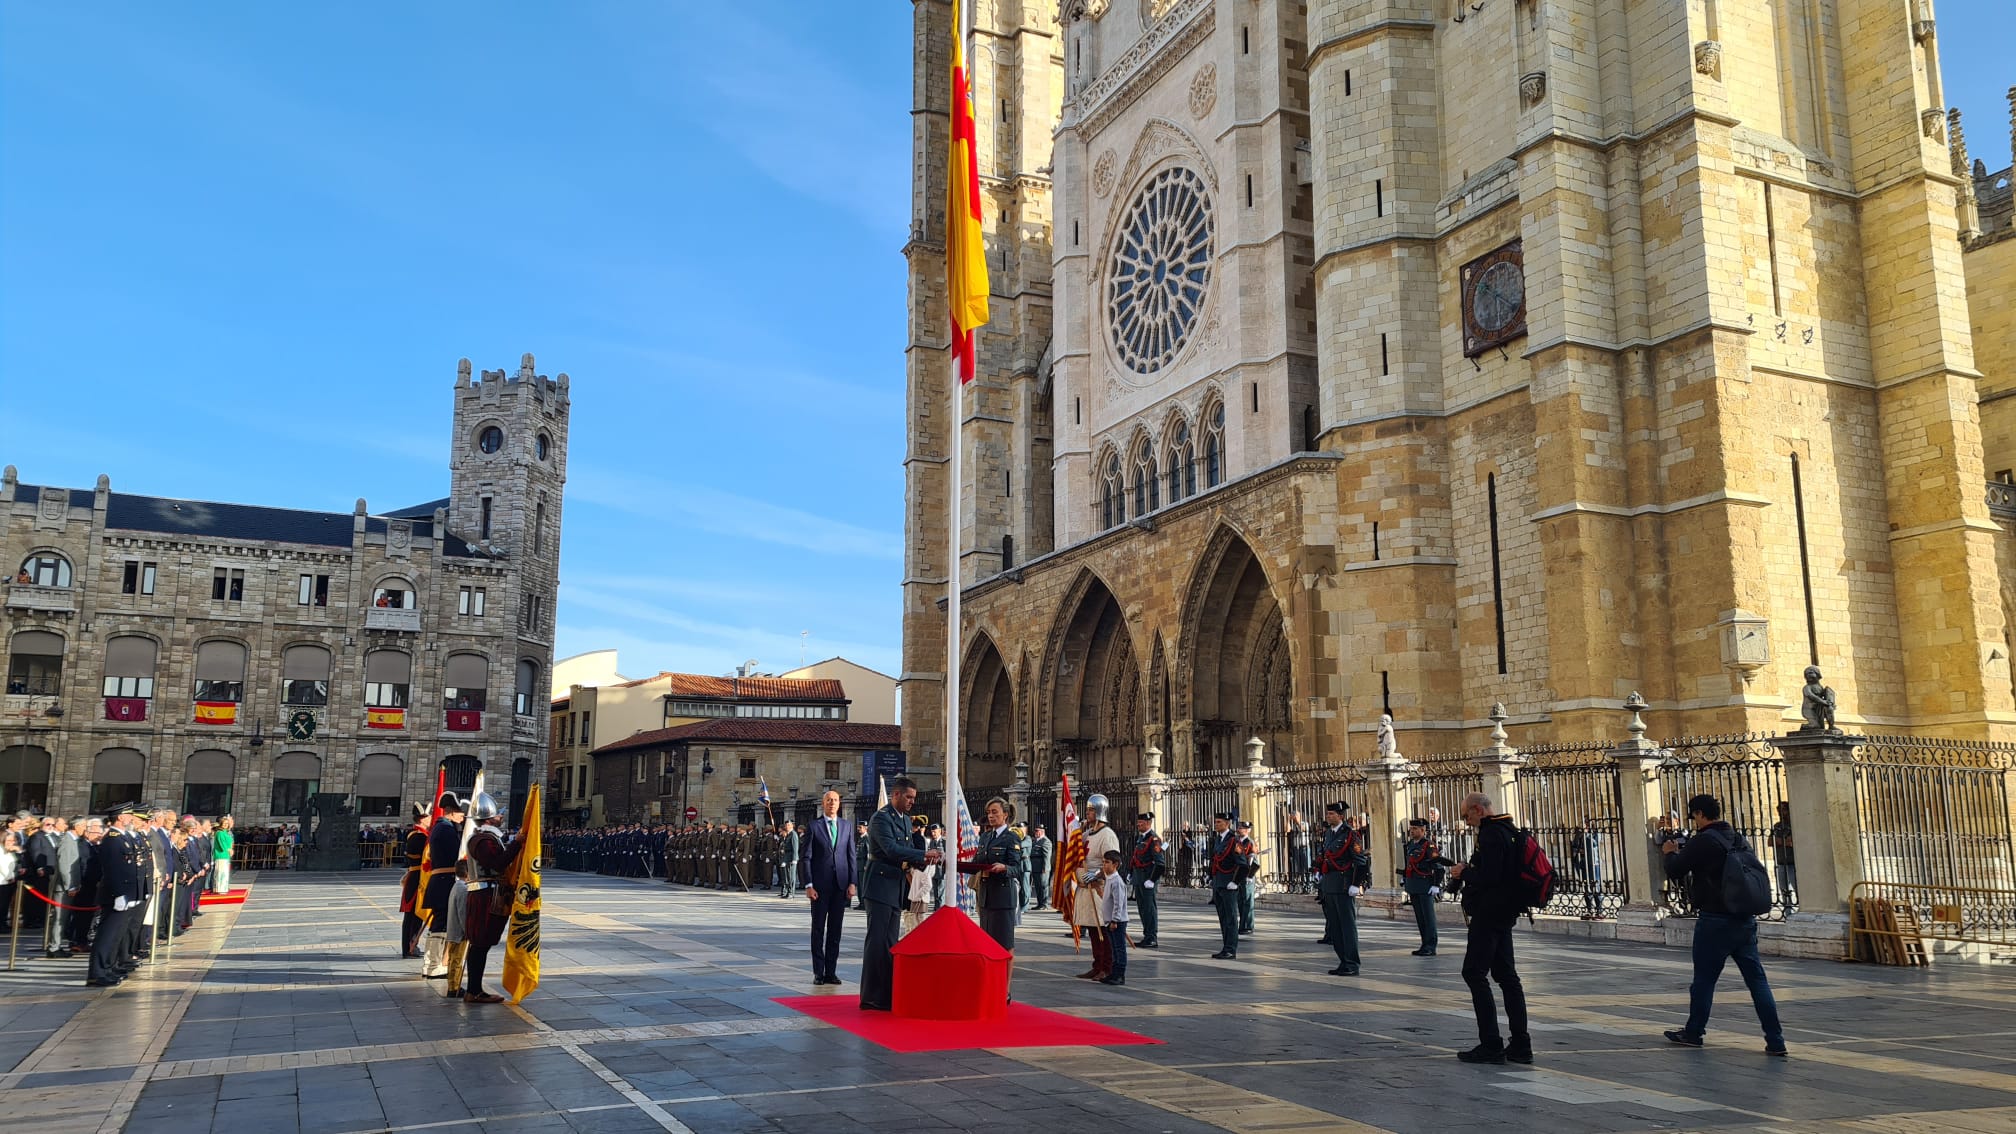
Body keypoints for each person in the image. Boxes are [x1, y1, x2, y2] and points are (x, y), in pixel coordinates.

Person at [1662, 794, 1787, 1055]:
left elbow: (1676, 871)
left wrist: (1670, 853)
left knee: (1704, 981)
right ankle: (1776, 1040)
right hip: (1744, 920)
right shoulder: (1738, 838)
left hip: (1715, 920)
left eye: (1694, 816)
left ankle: (1694, 1032)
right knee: (1757, 981)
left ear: (1699, 814)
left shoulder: (1703, 840)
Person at [1447, 791, 1531, 1065]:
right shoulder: (1510, 830)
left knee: (1474, 973)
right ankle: (1520, 1044)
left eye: (1466, 815)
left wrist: (1464, 873)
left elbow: (1491, 877)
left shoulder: (1491, 834)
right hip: (1504, 912)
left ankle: (1491, 1044)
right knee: (1507, 976)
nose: (1466, 821)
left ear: (1478, 810)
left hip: (1490, 913)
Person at [860, 777, 939, 1011]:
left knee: (890, 941)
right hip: (880, 883)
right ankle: (872, 995)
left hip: (895, 885)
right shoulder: (881, 819)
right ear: (895, 795)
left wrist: (927, 858)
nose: (911, 802)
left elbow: (910, 850)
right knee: (877, 941)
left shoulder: (905, 819)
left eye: (913, 798)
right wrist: (922, 856)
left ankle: (886, 992)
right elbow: (891, 849)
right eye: (908, 797)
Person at [459, 792, 524, 1004]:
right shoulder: (483, 840)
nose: (501, 817)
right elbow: (497, 863)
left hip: (489, 893)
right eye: (498, 815)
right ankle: (474, 990)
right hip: (484, 895)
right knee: (479, 943)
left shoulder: (488, 837)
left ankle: (475, 989)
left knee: (483, 943)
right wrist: (517, 844)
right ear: (489, 819)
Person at [800, 790, 856, 986]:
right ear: (823, 803)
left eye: (835, 800)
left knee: (835, 931)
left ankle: (831, 972)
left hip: (840, 886)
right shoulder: (814, 826)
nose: (832, 803)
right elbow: (806, 857)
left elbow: (851, 856)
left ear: (839, 804)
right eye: (829, 800)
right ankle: (818, 972)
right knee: (818, 930)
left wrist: (852, 882)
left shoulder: (846, 826)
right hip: (820, 887)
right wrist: (808, 884)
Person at [86, 805, 146, 987]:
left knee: (117, 934)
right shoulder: (112, 840)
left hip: (126, 894)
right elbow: (113, 870)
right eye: (128, 815)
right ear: (120, 817)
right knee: (107, 935)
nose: (131, 818)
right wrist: (119, 894)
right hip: (115, 895)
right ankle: (97, 973)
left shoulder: (122, 837)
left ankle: (109, 967)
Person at [958, 798, 1025, 953]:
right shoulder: (985, 837)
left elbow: (1017, 869)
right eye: (988, 812)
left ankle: (1004, 978)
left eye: (995, 812)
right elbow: (976, 865)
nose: (990, 816)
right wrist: (953, 864)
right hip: (986, 897)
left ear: (1005, 815)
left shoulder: (1011, 838)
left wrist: (1004, 868)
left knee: (1004, 943)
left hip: (1003, 897)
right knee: (987, 941)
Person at [1072, 794, 1121, 981]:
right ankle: (1097, 964)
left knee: (1104, 930)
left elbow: (1113, 861)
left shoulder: (1107, 835)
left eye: (1091, 810)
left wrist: (1097, 874)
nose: (1088, 812)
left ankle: (1107, 967)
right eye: (1088, 809)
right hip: (1086, 888)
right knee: (1093, 929)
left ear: (1100, 811)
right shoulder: (1085, 835)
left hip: (1100, 888)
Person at [420, 793, 466, 980]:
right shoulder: (446, 830)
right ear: (452, 812)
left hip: (441, 881)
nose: (462, 818)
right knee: (441, 925)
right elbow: (457, 853)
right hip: (444, 882)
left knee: (441, 924)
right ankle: (433, 965)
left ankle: (432, 964)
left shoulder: (441, 827)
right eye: (461, 814)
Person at [1316, 801, 1362, 976]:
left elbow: (1361, 862)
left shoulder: (1351, 835)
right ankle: (1343, 960)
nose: (1329, 817)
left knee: (1347, 926)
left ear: (1341, 816)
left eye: (1332, 814)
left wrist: (1356, 884)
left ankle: (1352, 963)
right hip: (1329, 884)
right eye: (1328, 814)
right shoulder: (1329, 834)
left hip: (1343, 885)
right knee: (1335, 927)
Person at [1206, 812, 1248, 960]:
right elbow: (1215, 860)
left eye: (1219, 822)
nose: (1216, 824)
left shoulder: (1233, 841)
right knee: (1223, 917)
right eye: (1215, 822)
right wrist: (1211, 877)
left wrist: (1235, 882)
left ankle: (1231, 949)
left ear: (1227, 823)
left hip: (1229, 884)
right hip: (1219, 884)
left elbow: (1243, 865)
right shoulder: (1218, 839)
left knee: (1230, 918)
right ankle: (1226, 947)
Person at [1400, 817, 1443, 956]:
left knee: (1428, 917)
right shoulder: (1411, 844)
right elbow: (1409, 863)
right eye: (1411, 829)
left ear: (1423, 830)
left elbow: (1438, 867)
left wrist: (1436, 885)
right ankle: (1424, 944)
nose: (1411, 831)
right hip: (1414, 885)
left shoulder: (1428, 845)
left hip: (1425, 885)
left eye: (1415, 829)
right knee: (1420, 917)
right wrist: (1404, 877)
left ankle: (1431, 945)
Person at [1128, 812, 1164, 948]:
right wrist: (1131, 873)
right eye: (1138, 823)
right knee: (1142, 909)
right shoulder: (1140, 838)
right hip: (1139, 879)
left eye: (1141, 823)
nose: (1138, 825)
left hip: (1147, 880)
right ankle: (1147, 935)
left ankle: (1152, 937)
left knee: (1149, 909)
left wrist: (1152, 880)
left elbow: (1160, 863)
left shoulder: (1154, 840)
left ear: (1148, 823)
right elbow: (1135, 858)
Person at [398, 802, 429, 957]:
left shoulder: (415, 834)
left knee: (412, 915)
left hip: (414, 874)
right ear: (422, 819)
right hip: (418, 877)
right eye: (429, 817)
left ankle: (409, 946)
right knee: (414, 914)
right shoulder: (419, 837)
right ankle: (410, 945)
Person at [1096, 850, 1130, 986]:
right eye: (1103, 862)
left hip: (1116, 921)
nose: (1104, 865)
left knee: (1119, 948)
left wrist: (1115, 919)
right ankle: (1113, 973)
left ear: (1115, 864)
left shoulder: (1116, 881)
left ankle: (1120, 974)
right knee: (1113, 948)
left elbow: (1118, 902)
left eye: (1107, 862)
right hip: (1109, 920)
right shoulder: (1109, 879)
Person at [1768, 801, 1796, 914]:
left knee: (1796, 887)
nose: (1781, 813)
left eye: (1783, 810)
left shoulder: (1794, 825)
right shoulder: (1777, 826)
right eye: (1779, 810)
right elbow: (1770, 841)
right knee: (1784, 889)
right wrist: (1785, 841)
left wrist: (1779, 841)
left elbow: (1793, 842)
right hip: (1781, 861)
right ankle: (1788, 912)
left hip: (1792, 862)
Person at [1234, 819, 1259, 936]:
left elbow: (1253, 860)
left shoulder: (1250, 842)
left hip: (1247, 874)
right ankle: (1242, 924)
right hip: (1239, 874)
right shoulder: (1237, 841)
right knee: (1240, 900)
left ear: (1248, 830)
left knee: (1248, 901)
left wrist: (1250, 875)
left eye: (1243, 828)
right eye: (1239, 827)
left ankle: (1248, 925)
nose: (1240, 829)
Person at [1027, 823, 1052, 909]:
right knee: (1037, 886)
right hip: (1035, 867)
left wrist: (1045, 868)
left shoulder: (1046, 841)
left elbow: (1046, 856)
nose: (1035, 832)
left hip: (1042, 867)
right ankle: (1039, 903)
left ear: (1042, 831)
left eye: (1037, 831)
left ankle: (1044, 904)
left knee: (1043, 886)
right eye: (1035, 831)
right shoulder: (1035, 841)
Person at [778, 821, 801, 899]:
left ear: (792, 826)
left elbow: (795, 847)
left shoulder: (793, 834)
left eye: (788, 825)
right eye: (786, 825)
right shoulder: (788, 835)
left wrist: (794, 858)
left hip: (791, 858)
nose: (787, 826)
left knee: (791, 876)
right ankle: (787, 891)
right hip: (786, 857)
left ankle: (791, 892)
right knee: (787, 876)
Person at [212, 815, 234, 894]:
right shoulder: (219, 833)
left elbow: (230, 842)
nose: (226, 825)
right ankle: (220, 888)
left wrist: (231, 849)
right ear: (221, 824)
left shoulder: (226, 833)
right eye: (224, 823)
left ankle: (224, 887)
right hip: (221, 854)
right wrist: (228, 850)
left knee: (225, 872)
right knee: (221, 872)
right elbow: (222, 844)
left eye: (227, 823)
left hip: (226, 855)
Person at [853, 820, 871, 910]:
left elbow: (868, 853)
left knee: (862, 885)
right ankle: (861, 903)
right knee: (859, 886)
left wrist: (867, 865)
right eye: (858, 827)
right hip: (858, 864)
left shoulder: (867, 838)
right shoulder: (861, 838)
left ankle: (864, 904)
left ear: (866, 828)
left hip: (863, 865)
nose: (858, 829)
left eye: (860, 827)